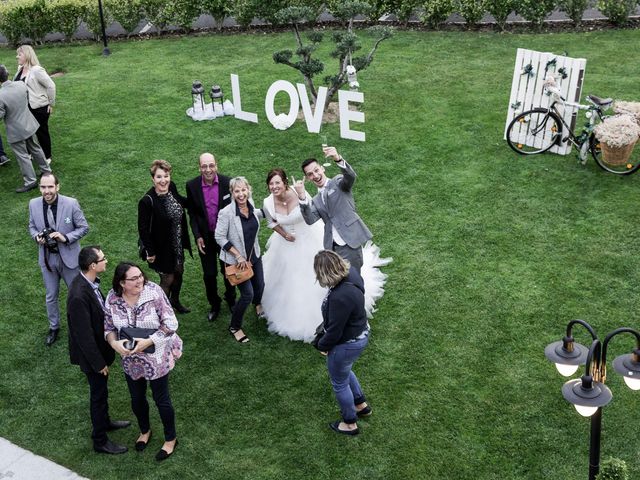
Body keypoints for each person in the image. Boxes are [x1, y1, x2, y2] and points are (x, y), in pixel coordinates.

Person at [104, 262, 182, 461]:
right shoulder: (112, 298)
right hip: (131, 360)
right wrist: (114, 344)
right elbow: (108, 327)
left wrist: (148, 341)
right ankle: (145, 431)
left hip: (156, 356)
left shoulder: (154, 292)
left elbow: (171, 323)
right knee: (137, 399)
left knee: (161, 399)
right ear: (122, 283)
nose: (140, 280)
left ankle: (171, 439)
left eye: (140, 276)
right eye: (134, 278)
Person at [67, 246, 130, 455]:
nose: (106, 261)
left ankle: (105, 422)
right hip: (93, 358)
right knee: (98, 395)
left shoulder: (90, 283)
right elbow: (83, 336)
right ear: (92, 266)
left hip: (99, 352)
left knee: (101, 393)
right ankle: (100, 440)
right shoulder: (78, 295)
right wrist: (99, 363)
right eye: (103, 259)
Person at [261, 168, 326, 342]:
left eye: (277, 183)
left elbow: (312, 214)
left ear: (284, 183)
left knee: (312, 275)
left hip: (308, 238)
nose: (274, 187)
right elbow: (271, 222)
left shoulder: (298, 194)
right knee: (287, 278)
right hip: (285, 243)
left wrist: (303, 195)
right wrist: (284, 235)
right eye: (271, 184)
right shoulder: (268, 202)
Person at [313, 250, 371, 436]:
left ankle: (350, 423)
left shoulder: (340, 297)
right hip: (360, 334)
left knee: (339, 382)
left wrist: (321, 346)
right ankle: (361, 404)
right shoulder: (352, 273)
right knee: (345, 370)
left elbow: (335, 331)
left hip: (347, 344)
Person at [28, 172, 89, 346]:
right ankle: (54, 327)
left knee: (76, 294)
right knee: (51, 296)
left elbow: (84, 227)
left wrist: (66, 237)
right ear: (40, 187)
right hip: (47, 260)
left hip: (69, 258)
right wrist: (36, 237)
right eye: (43, 187)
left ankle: (79, 325)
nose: (47, 191)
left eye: (50, 187)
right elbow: (31, 226)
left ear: (57, 187)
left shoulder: (71, 203)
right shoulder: (33, 204)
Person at [295, 146, 372, 273]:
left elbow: (350, 177)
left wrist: (337, 158)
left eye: (316, 170)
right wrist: (302, 197)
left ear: (322, 168)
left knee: (354, 277)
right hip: (332, 247)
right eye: (310, 174)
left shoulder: (337, 182)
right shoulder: (315, 199)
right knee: (338, 280)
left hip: (349, 240)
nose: (315, 175)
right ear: (308, 178)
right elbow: (310, 219)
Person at [185, 152, 236, 322]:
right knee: (209, 274)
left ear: (216, 165)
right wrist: (197, 235)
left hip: (224, 237)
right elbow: (192, 213)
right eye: (204, 166)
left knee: (228, 271)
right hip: (205, 238)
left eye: (211, 165)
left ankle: (231, 299)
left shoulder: (227, 182)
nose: (208, 169)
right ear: (199, 167)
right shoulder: (191, 186)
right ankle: (215, 304)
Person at [215, 176, 265, 343]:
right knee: (247, 294)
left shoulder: (251, 206)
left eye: (243, 190)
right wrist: (237, 255)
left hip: (254, 256)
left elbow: (260, 214)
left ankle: (258, 304)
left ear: (248, 190)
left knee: (260, 286)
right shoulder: (226, 213)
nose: (241, 194)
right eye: (237, 191)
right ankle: (235, 326)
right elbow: (219, 236)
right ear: (232, 193)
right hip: (237, 262)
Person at [138, 159, 192, 314]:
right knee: (167, 279)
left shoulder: (172, 187)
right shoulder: (147, 201)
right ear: (153, 179)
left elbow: (180, 201)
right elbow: (142, 229)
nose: (163, 180)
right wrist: (150, 252)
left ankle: (175, 301)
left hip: (177, 242)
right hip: (160, 248)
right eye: (159, 177)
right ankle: (162, 312)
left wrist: (197, 202)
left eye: (166, 176)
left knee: (179, 271)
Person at [0, 64, 50, 193]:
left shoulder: (0, 95)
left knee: (22, 156)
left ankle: (30, 181)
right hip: (29, 124)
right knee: (36, 148)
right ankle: (46, 170)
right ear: (7, 74)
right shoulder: (21, 85)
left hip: (16, 131)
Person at [14, 45, 56, 163]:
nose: (17, 57)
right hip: (24, 108)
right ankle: (30, 153)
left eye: (19, 54)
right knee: (27, 132)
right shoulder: (20, 69)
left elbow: (51, 86)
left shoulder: (36, 70)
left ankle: (47, 156)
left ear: (27, 55)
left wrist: (50, 103)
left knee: (41, 132)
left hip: (39, 108)